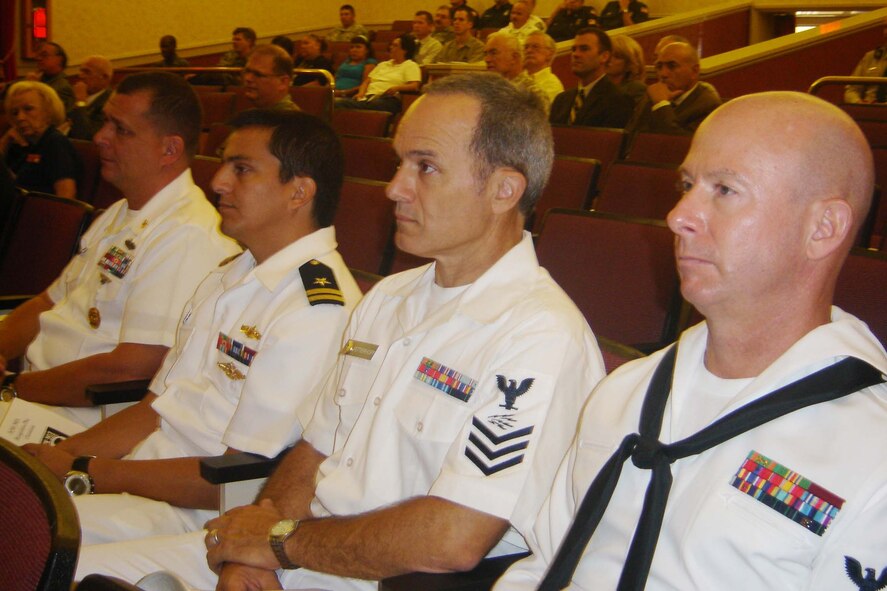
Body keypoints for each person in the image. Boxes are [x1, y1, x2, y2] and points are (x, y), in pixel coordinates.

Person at [73, 72, 606, 591]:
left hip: (374, 578)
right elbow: (313, 450)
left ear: (504, 189)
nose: (395, 188)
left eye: (426, 167)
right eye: (401, 163)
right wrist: (252, 559)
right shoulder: (389, 299)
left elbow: (454, 539)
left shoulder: (538, 339)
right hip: (296, 553)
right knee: (61, 564)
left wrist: (279, 544)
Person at [494, 91, 887, 591]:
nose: (679, 215)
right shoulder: (626, 392)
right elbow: (543, 565)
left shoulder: (872, 456)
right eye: (686, 185)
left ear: (823, 227)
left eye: (724, 189)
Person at [26, 108, 361, 555]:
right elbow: (156, 409)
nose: (218, 181)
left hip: (202, 518)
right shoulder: (233, 273)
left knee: (26, 541)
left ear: (298, 192)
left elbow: (241, 478)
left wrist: (87, 469)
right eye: (224, 165)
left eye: (241, 169)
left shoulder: (316, 309)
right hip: (141, 477)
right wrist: (62, 457)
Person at [0, 72, 240, 427]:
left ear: (169, 149)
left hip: (78, 418)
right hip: (34, 393)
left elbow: (129, 369)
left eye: (121, 130)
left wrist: (13, 387)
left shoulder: (186, 236)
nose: (100, 138)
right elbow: (49, 302)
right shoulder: (119, 212)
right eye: (105, 123)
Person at [1, 81, 80, 198]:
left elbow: (66, 198)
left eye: (28, 109)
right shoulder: (28, 144)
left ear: (48, 111)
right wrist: (6, 139)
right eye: (15, 113)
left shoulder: (55, 143)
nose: (20, 117)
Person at [549, 27, 634, 127]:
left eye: (584, 49)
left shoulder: (618, 101)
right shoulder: (562, 100)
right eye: (574, 49)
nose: (576, 54)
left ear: (604, 56)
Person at [630, 41, 721, 135]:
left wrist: (661, 104)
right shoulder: (653, 95)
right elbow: (630, 136)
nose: (663, 74)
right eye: (659, 66)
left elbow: (677, 145)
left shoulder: (707, 104)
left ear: (694, 71)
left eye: (672, 66)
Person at [335, 34, 420, 114]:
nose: (390, 47)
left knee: (370, 105)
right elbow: (367, 82)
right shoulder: (383, 64)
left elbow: (414, 85)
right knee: (338, 103)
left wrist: (397, 88)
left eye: (395, 45)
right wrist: (360, 93)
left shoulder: (410, 65)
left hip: (388, 99)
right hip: (369, 97)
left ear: (405, 50)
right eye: (391, 45)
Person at [484, 32, 548, 109]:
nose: (487, 59)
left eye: (494, 53)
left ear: (514, 57)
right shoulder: (489, 89)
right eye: (486, 54)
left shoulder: (532, 93)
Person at [69, 55, 114, 141]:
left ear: (105, 78)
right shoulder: (75, 93)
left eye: (87, 72)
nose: (80, 76)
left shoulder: (109, 103)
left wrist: (80, 102)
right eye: (81, 70)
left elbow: (84, 135)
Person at [242, 45, 299, 110]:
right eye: (247, 71)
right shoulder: (255, 113)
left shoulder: (290, 118)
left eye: (258, 74)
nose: (248, 78)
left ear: (283, 82)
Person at [28, 41, 75, 115]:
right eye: (38, 55)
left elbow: (45, 113)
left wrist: (33, 87)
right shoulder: (38, 77)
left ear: (59, 59)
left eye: (44, 55)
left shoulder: (62, 86)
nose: (39, 58)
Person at [845, 24, 887, 103]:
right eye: (886, 27)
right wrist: (858, 102)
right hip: (870, 108)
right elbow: (851, 90)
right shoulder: (871, 57)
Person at [524, 31, 564, 104]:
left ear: (549, 54)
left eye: (535, 47)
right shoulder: (517, 79)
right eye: (526, 47)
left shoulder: (552, 85)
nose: (529, 50)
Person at [607, 34, 646, 106]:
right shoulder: (601, 86)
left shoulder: (635, 88)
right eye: (609, 55)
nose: (609, 59)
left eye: (617, 57)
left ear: (629, 64)